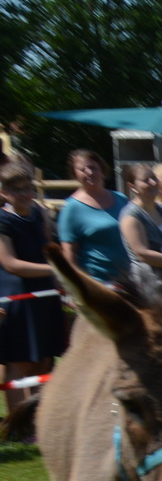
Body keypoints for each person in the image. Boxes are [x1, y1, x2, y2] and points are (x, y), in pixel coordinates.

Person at [0, 161, 66, 427]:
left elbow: (49, 245)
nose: (24, 194)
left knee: (44, 360)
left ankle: (40, 422)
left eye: (27, 188)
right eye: (16, 190)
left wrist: (57, 272)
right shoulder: (3, 220)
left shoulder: (38, 213)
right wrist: (55, 269)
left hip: (45, 293)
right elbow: (10, 263)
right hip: (16, 298)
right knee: (20, 363)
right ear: (3, 192)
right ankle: (17, 425)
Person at [57, 149, 131, 283]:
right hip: (99, 282)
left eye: (93, 167)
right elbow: (69, 252)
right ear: (75, 175)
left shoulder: (121, 199)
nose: (89, 173)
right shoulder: (71, 208)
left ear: (102, 170)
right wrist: (76, 284)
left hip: (131, 279)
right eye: (82, 169)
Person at [118, 163, 162, 292]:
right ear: (132, 186)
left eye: (154, 177)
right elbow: (142, 253)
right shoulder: (131, 215)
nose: (153, 182)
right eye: (146, 180)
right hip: (150, 286)